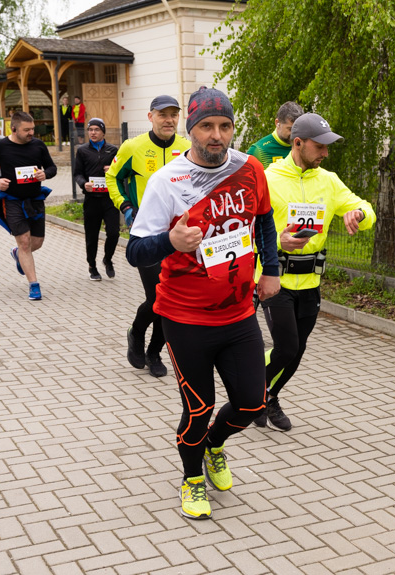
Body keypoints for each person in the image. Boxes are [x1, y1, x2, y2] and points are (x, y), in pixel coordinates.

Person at [126, 86, 280, 520]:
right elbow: (135, 252)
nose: (217, 135)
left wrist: (271, 269)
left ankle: (215, 446)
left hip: (238, 312)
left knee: (252, 402)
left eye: (225, 126)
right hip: (185, 318)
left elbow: (264, 219)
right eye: (207, 127)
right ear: (191, 130)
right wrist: (169, 240)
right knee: (198, 408)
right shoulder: (167, 181)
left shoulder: (250, 168)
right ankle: (192, 480)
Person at [253, 113, 376, 431]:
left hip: (311, 282)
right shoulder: (268, 178)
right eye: (320, 146)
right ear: (298, 143)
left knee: (297, 350)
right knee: (287, 346)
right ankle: (252, 392)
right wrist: (276, 239)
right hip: (275, 279)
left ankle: (270, 396)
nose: (325, 153)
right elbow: (245, 226)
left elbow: (366, 208)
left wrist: (358, 212)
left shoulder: (329, 181)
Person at [107, 94, 191, 378]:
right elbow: (112, 177)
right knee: (158, 297)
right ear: (150, 117)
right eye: (162, 114)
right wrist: (125, 205)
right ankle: (137, 331)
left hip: (180, 236)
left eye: (173, 114)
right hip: (147, 235)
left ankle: (154, 351)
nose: (169, 120)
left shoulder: (188, 147)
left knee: (172, 300)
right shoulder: (134, 147)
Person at [0, 111, 57, 301]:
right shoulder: (0, 146)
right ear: (13, 129)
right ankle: (34, 285)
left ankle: (17, 254)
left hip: (35, 200)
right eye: (27, 130)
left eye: (33, 128)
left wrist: (45, 174)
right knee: (24, 241)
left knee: (36, 242)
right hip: (13, 200)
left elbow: (52, 167)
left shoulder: (38, 145)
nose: (32, 132)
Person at [74, 118, 119, 281]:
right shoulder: (82, 150)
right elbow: (77, 173)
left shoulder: (113, 150)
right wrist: (83, 183)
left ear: (103, 132)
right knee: (91, 236)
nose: (93, 132)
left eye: (96, 130)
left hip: (109, 199)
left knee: (113, 233)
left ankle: (108, 259)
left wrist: (113, 169)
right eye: (90, 130)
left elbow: (120, 172)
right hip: (91, 199)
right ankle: (92, 266)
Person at [246, 101, 304, 169]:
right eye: (290, 129)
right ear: (277, 123)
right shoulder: (258, 151)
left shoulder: (304, 146)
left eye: (298, 130)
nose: (295, 134)